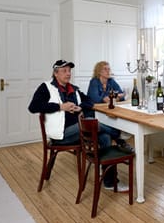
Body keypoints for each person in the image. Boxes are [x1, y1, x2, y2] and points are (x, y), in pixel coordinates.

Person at [28, 59, 129, 192]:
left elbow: (89, 101)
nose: (68, 73)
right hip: (61, 134)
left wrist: (78, 107)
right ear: (56, 73)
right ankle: (118, 135)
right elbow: (33, 107)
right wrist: (60, 107)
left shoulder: (73, 89)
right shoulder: (46, 87)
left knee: (104, 137)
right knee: (92, 123)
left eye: (69, 71)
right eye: (64, 71)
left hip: (77, 130)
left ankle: (109, 182)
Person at [87, 61, 132, 151]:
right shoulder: (94, 82)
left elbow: (121, 96)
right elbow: (96, 99)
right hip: (93, 113)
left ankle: (119, 141)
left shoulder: (111, 81)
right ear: (99, 71)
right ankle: (119, 138)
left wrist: (112, 97)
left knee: (115, 121)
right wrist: (111, 97)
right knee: (114, 129)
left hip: (106, 112)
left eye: (109, 69)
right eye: (105, 69)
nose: (108, 71)